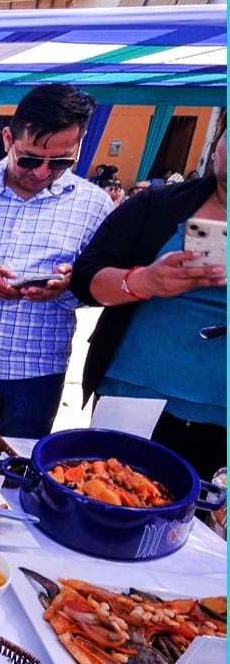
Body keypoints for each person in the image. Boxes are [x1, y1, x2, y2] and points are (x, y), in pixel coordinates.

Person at [0, 83, 114, 439]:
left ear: (79, 146)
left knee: (21, 470)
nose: (41, 173)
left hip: (37, 366)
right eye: (29, 159)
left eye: (60, 162)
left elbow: (96, 282)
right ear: (8, 138)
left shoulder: (94, 206)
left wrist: (69, 288)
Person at [71, 116, 227, 479]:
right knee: (111, 498)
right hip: (134, 393)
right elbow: (86, 278)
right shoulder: (157, 205)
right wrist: (143, 281)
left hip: (222, 413)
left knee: (204, 526)